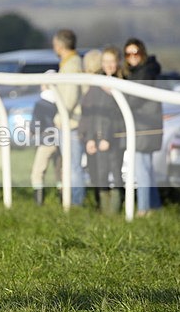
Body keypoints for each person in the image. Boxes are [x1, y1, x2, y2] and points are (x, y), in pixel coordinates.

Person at [79, 47, 125, 214]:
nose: (109, 65)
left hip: (115, 138)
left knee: (116, 173)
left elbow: (117, 116)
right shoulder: (96, 85)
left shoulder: (123, 82)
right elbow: (89, 114)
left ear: (118, 62)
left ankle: (115, 210)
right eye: (105, 61)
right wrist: (90, 138)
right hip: (97, 138)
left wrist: (107, 137)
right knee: (100, 174)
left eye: (112, 61)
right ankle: (103, 209)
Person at [123, 38, 163, 216]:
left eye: (135, 53)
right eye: (128, 54)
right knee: (147, 167)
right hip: (144, 124)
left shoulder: (145, 72)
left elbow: (134, 99)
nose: (132, 57)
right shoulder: (138, 71)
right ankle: (154, 206)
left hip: (144, 125)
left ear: (142, 53)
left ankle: (143, 209)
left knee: (142, 167)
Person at [52, 29, 86, 206]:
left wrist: (61, 116)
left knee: (73, 167)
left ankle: (76, 202)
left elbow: (71, 96)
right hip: (68, 122)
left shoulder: (72, 64)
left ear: (59, 45)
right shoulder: (70, 62)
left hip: (71, 123)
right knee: (70, 165)